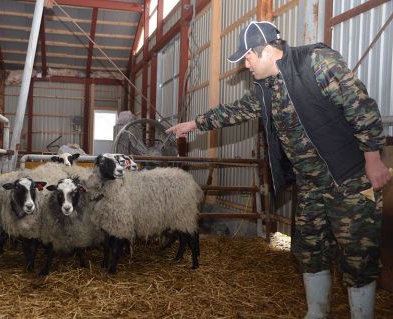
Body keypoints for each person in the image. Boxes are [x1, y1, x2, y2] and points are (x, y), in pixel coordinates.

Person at [166, 21, 391, 319]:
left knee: (358, 256)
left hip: (348, 178)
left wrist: (373, 159)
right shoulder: (266, 88)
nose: (245, 65)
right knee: (309, 250)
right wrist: (193, 125)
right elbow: (234, 111)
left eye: (246, 57)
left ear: (267, 51)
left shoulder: (316, 62)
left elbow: (360, 106)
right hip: (310, 184)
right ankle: (317, 313)